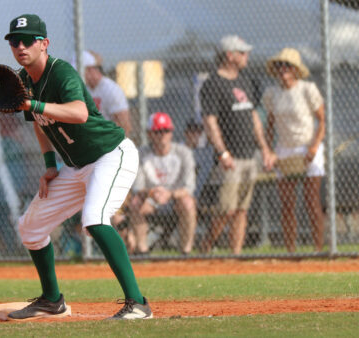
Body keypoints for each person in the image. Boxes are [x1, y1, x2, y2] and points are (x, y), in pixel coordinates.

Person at [3, 14, 152, 320]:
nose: (20, 46)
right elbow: (39, 125)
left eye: (28, 40)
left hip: (111, 154)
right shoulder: (24, 82)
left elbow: (79, 113)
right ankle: (51, 300)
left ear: (44, 44)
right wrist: (49, 166)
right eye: (15, 41)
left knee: (94, 219)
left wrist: (34, 105)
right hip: (75, 166)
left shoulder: (61, 73)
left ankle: (138, 304)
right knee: (29, 228)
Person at [199, 35, 276, 255]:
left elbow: (253, 117)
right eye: (242, 53)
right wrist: (222, 152)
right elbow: (210, 121)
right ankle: (205, 249)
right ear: (229, 55)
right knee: (226, 209)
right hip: (230, 156)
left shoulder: (246, 80)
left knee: (242, 209)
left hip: (248, 154)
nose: (246, 56)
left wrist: (264, 148)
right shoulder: (213, 84)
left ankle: (236, 254)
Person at [263, 48, 325, 253]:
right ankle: (290, 251)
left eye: (287, 66)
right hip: (285, 149)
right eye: (280, 66)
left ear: (296, 70)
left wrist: (314, 145)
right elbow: (270, 125)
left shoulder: (307, 89)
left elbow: (322, 120)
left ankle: (319, 250)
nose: (283, 70)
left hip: (307, 147)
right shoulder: (272, 94)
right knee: (287, 204)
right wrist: (270, 151)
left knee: (311, 202)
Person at [120, 112, 197, 255]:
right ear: (150, 134)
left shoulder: (183, 152)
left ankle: (185, 252)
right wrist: (152, 193)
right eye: (157, 131)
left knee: (188, 203)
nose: (162, 135)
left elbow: (189, 187)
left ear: (171, 133)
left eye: (165, 131)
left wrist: (170, 194)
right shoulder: (141, 154)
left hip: (176, 199)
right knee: (136, 203)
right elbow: (138, 187)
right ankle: (142, 251)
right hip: (151, 199)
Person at [82, 50, 132, 136]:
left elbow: (124, 124)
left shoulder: (111, 89)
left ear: (91, 69)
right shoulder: (85, 89)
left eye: (82, 70)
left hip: (109, 141)